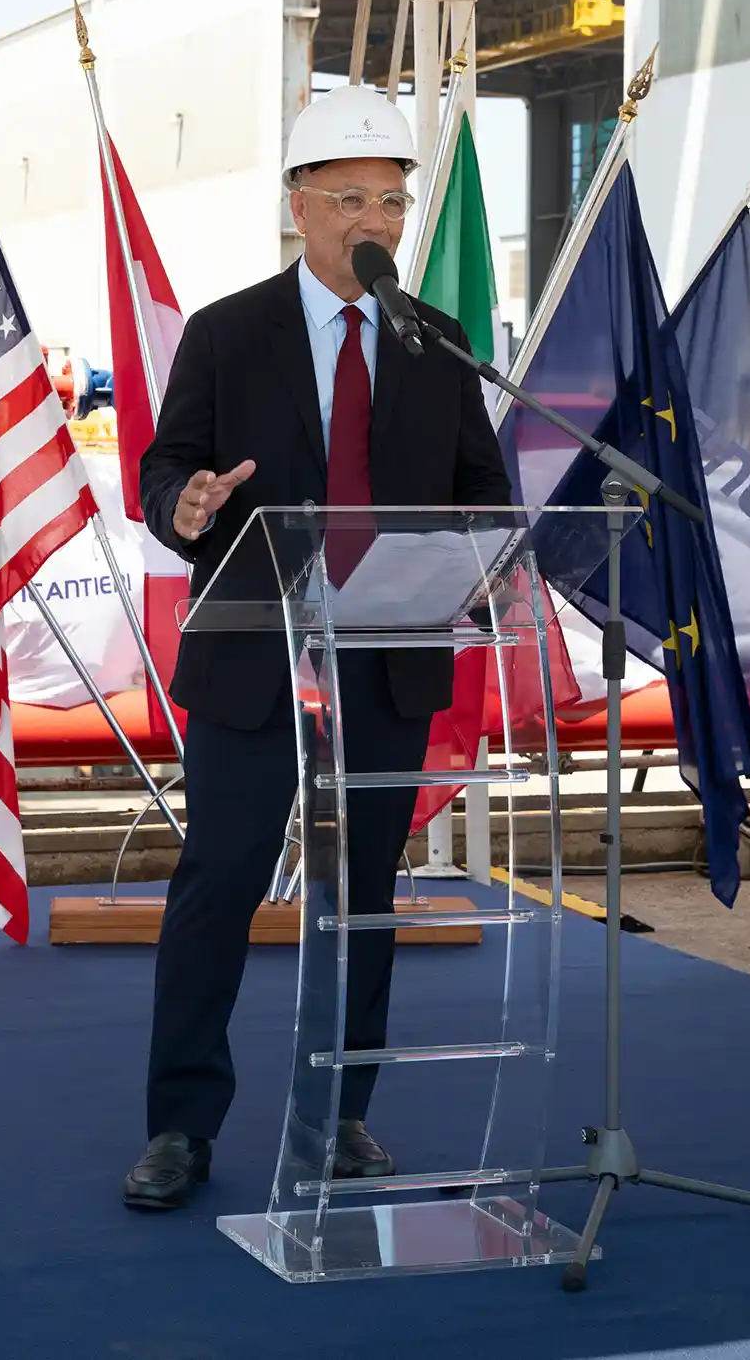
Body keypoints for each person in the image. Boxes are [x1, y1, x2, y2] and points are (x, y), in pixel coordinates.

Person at [122, 84, 512, 1209]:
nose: (375, 222)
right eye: (350, 199)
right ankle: (181, 1127)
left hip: (386, 654)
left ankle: (342, 1110)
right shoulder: (229, 331)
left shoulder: (435, 344)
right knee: (223, 880)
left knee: (364, 893)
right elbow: (166, 468)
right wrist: (184, 505)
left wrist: (477, 545)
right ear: (299, 206)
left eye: (392, 200)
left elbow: (484, 493)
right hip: (257, 655)